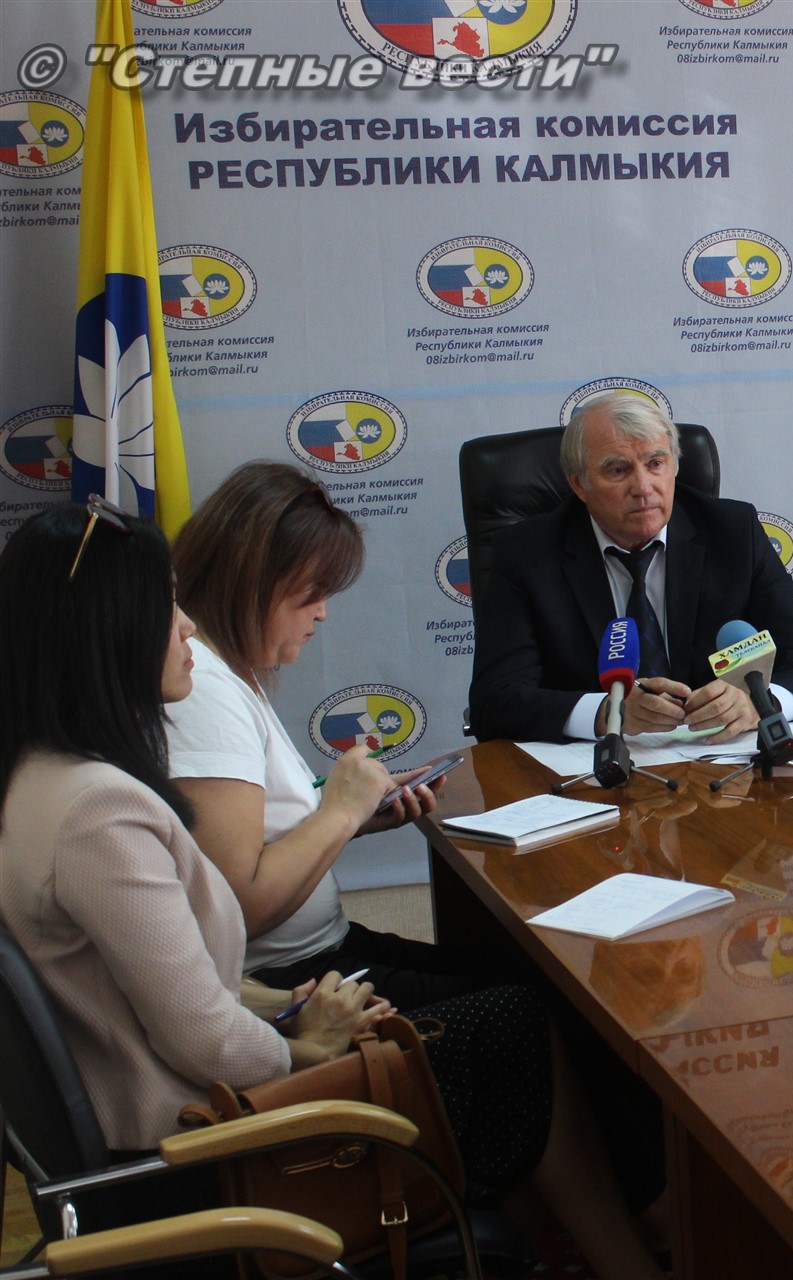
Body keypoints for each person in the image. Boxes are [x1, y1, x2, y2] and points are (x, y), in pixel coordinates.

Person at [0, 501, 658, 1277]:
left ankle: (552, 1249)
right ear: (107, 630)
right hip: (208, 1153)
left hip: (186, 1118)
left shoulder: (40, 776)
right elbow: (203, 1037)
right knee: (516, 1028)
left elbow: (154, 983)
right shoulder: (98, 813)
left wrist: (285, 1005)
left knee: (507, 1021)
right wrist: (303, 1045)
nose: (185, 627)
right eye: (164, 606)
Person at [168, 462, 475, 1009]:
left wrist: (357, 814)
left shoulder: (227, 671)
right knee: (529, 1006)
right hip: (288, 982)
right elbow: (239, 906)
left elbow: (264, 837)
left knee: (514, 973)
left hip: (322, 953)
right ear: (253, 581)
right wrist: (342, 811)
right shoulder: (203, 692)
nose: (323, 614)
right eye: (311, 594)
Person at [468, 393, 793, 743]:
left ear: (674, 466)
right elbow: (494, 701)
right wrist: (609, 712)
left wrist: (759, 703)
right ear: (579, 484)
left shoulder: (733, 533)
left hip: (716, 762)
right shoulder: (527, 554)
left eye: (656, 464)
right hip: (594, 770)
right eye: (618, 469)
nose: (643, 488)